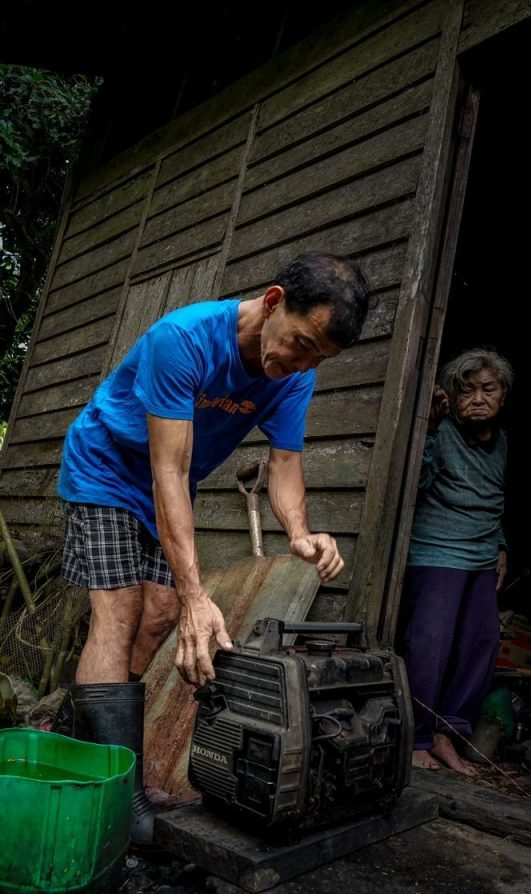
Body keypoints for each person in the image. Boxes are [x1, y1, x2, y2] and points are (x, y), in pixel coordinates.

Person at [57, 251, 369, 840]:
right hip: (106, 466)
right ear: (274, 301)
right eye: (299, 343)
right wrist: (198, 591)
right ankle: (118, 798)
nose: (299, 364)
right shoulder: (184, 338)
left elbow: (283, 463)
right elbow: (168, 470)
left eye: (316, 358)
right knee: (121, 609)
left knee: (161, 613)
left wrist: (299, 533)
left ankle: (85, 742)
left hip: (166, 481)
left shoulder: (296, 375)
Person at [397, 347, 513, 774]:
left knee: (480, 647)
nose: (478, 398)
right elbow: (419, 484)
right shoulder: (442, 433)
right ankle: (418, 739)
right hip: (436, 552)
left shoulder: (501, 443)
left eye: (488, 389)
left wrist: (500, 545)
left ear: (502, 396)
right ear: (453, 396)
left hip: (482, 556)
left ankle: (448, 733)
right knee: (430, 647)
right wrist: (428, 430)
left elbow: (494, 498)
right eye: (467, 390)